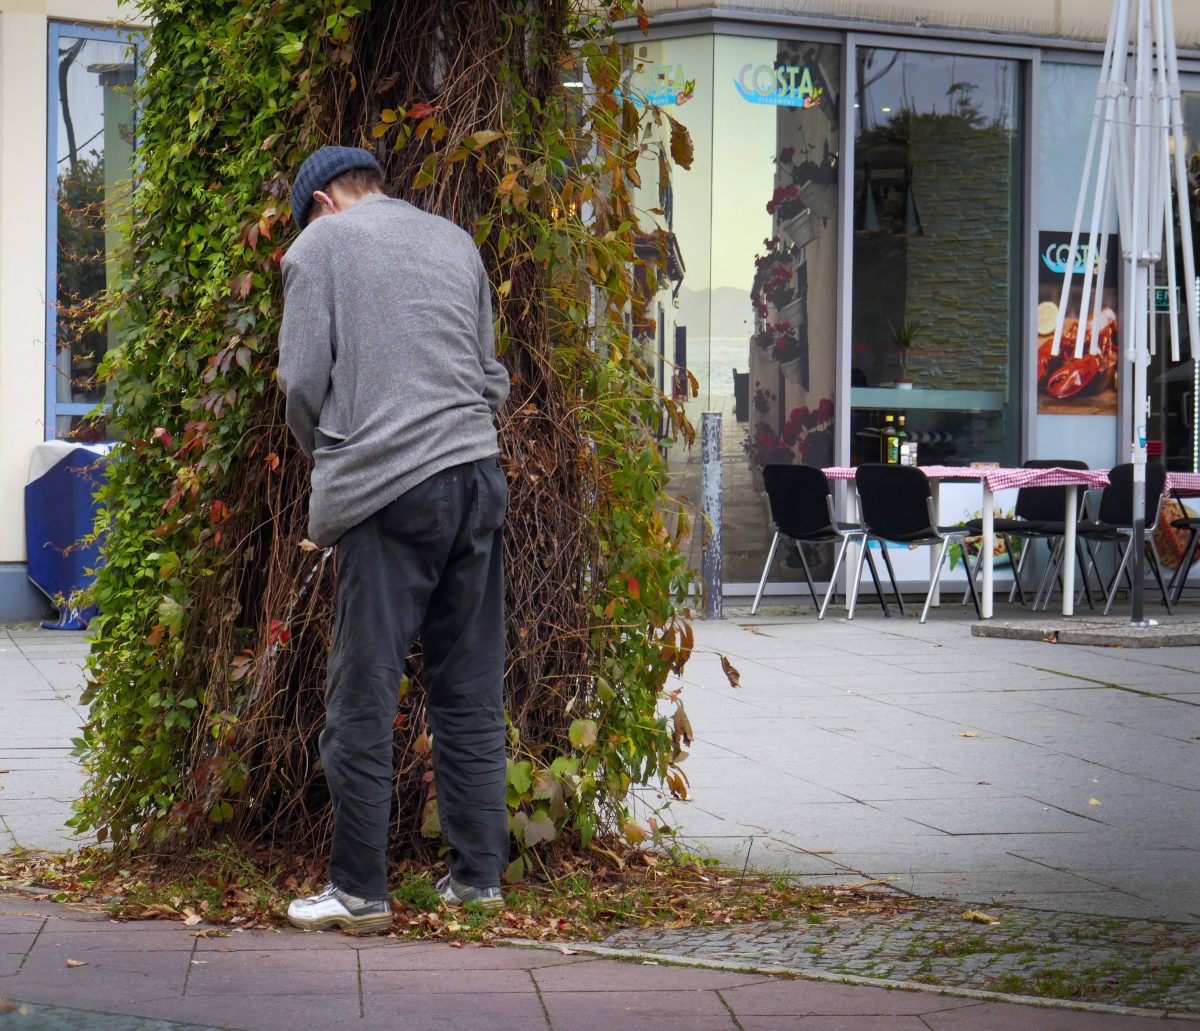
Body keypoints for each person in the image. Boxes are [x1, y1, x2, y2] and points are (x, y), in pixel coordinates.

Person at [277, 146, 511, 933]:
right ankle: (479, 880)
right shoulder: (452, 240)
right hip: (478, 478)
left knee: (363, 696)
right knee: (470, 689)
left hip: (391, 489)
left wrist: (336, 459)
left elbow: (301, 383)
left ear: (319, 202)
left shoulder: (319, 246)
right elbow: (492, 376)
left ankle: (358, 891)